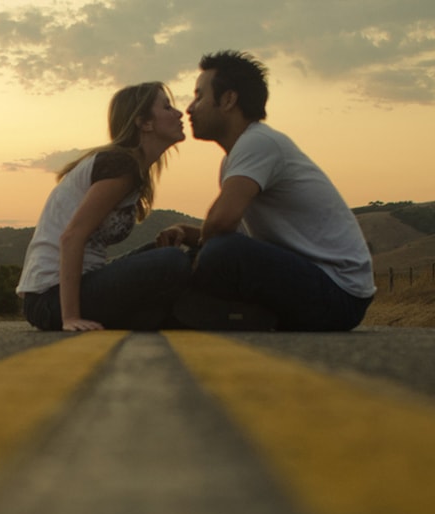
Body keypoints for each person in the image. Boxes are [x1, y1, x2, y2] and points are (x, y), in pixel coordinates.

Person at [157, 51, 376, 331]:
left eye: (199, 96)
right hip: (317, 282)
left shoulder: (259, 143)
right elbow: (237, 234)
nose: (190, 108)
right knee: (210, 251)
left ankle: (200, 311)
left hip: (339, 294)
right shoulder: (239, 155)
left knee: (221, 253)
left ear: (228, 100)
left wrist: (199, 258)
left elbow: (222, 222)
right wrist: (187, 233)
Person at [16, 82, 191, 332]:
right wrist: (71, 319)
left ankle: (160, 316)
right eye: (167, 107)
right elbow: (71, 236)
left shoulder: (131, 168)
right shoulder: (121, 165)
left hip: (77, 287)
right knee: (171, 261)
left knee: (169, 253)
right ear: (145, 122)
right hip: (49, 299)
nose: (178, 113)